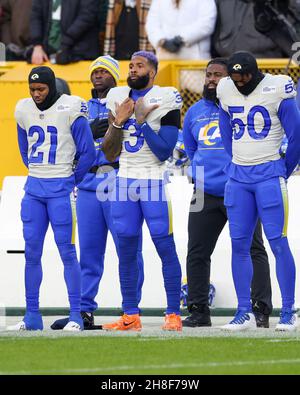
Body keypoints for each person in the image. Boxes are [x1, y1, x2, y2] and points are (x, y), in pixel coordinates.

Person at [51, 55, 144, 330]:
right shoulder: (80, 106)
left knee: (127, 248)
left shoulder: (127, 102)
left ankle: (132, 310)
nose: (98, 75)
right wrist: (89, 131)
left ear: (115, 77)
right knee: (89, 252)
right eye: (95, 71)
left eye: (105, 71)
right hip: (89, 183)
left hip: (117, 179)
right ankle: (82, 310)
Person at [182, 58, 272, 328]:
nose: (211, 80)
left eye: (218, 75)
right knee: (196, 251)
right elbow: (190, 150)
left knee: (253, 249)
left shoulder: (239, 107)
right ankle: (198, 311)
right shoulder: (194, 112)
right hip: (202, 193)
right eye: (208, 74)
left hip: (240, 189)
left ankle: (260, 310)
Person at [7, 66, 95, 331]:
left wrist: (69, 179)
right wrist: (39, 172)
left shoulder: (71, 107)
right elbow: (24, 150)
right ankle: (32, 315)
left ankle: (76, 315)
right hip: (34, 189)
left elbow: (88, 153)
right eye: (32, 89)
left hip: (60, 190)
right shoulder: (23, 109)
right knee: (32, 253)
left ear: (52, 87)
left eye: (41, 89)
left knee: (67, 251)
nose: (36, 94)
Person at [217, 51, 300, 331]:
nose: (239, 82)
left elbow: (296, 133)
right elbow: (225, 128)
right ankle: (244, 312)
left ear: (255, 72)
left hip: (268, 175)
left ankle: (288, 310)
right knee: (239, 244)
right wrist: (236, 161)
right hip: (239, 177)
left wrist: (282, 170)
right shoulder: (225, 87)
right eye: (234, 77)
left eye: (244, 77)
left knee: (278, 242)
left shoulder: (277, 86)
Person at [102, 51, 183, 331]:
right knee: (125, 248)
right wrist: (118, 122)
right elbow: (110, 154)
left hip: (153, 180)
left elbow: (163, 151)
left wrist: (140, 122)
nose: (133, 69)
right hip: (124, 181)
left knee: (164, 245)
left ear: (153, 72)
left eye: (140, 65)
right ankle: (130, 315)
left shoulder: (166, 96)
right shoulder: (117, 96)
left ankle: (173, 313)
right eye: (131, 64)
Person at [146, 0, 217, 96]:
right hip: (165, 63)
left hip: (194, 66)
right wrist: (162, 41)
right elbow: (151, 25)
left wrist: (181, 39)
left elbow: (207, 23)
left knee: (195, 102)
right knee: (166, 103)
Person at [29, 0, 100, 65]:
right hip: (47, 54)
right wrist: (37, 46)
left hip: (80, 54)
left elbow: (87, 17)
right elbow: (36, 16)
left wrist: (65, 43)